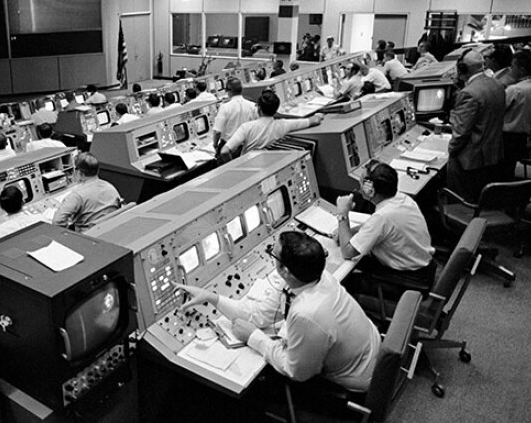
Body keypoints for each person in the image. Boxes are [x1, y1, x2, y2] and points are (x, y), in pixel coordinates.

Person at [175, 231, 380, 392]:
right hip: (370, 351)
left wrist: (253, 337)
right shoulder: (318, 276)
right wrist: (211, 297)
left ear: (285, 271)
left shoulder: (306, 314)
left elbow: (296, 371)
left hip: (356, 378)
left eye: (274, 253)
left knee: (258, 380)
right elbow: (257, 315)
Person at [336, 161, 436, 293]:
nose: (359, 187)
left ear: (370, 190)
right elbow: (374, 226)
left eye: (361, 183)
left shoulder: (383, 217)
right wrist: (349, 232)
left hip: (407, 281)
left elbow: (348, 252)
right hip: (423, 269)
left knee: (343, 282)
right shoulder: (403, 199)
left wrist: (343, 214)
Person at [447, 49, 506, 201]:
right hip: (492, 154)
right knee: (478, 195)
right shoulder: (497, 85)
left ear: (462, 69)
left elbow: (461, 133)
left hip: (469, 160)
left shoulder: (468, 93)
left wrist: (450, 152)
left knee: (461, 199)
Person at [220, 91, 324, 161]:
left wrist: (234, 164)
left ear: (259, 109)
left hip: (248, 167)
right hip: (271, 165)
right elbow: (313, 121)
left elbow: (224, 151)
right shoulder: (284, 125)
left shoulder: (246, 127)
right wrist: (319, 115)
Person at [501, 50, 531, 181]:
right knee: (510, 168)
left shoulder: (515, 90)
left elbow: (498, 109)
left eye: (512, 66)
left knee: (501, 170)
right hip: (522, 136)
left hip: (506, 136)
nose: (510, 70)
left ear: (521, 70)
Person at [52, 153, 121, 232]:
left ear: (79, 172)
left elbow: (57, 222)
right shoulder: (110, 187)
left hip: (88, 236)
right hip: (109, 230)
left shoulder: (76, 195)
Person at [212, 77, 257, 154]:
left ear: (229, 92)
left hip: (229, 148)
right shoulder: (252, 106)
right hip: (247, 146)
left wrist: (215, 145)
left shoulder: (225, 107)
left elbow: (217, 132)